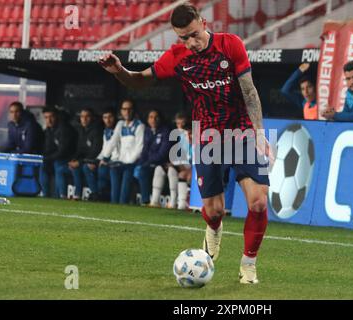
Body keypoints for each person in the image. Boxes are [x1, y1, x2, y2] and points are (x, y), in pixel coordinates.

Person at [99, 3, 271, 284]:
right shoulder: (177, 57)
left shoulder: (230, 45)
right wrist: (119, 71)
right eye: (183, 38)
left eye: (193, 34)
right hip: (207, 137)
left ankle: (248, 264)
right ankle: (213, 229)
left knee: (258, 202)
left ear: (204, 23)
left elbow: (249, 91)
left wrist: (260, 133)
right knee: (214, 211)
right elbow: (139, 81)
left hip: (241, 132)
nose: (191, 43)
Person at [99, 99, 145, 204]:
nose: (127, 112)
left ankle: (123, 205)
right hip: (120, 163)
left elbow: (140, 148)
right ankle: (113, 208)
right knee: (114, 186)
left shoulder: (139, 126)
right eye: (124, 109)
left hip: (132, 164)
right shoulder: (120, 124)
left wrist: (129, 162)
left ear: (134, 110)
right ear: (121, 111)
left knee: (124, 194)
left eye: (129, 109)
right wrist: (105, 158)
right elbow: (112, 142)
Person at [135, 109, 171, 206]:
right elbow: (144, 150)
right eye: (151, 117)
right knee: (137, 169)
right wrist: (140, 163)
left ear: (160, 119)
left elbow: (163, 153)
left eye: (156, 117)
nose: (153, 120)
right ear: (147, 119)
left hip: (162, 163)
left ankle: (146, 201)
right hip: (148, 163)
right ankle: (141, 200)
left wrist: (148, 161)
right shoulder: (147, 131)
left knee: (143, 170)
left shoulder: (165, 131)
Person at [40, 106, 76, 198]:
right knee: (42, 164)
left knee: (58, 164)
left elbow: (63, 151)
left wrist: (48, 158)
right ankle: (45, 194)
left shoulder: (64, 129)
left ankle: (60, 195)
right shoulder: (48, 130)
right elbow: (48, 148)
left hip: (69, 158)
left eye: (51, 117)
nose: (49, 120)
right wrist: (44, 157)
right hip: (55, 158)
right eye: (46, 117)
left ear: (57, 116)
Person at [68, 108, 103, 200]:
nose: (84, 119)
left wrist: (79, 162)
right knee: (75, 167)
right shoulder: (81, 130)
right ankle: (77, 194)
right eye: (82, 116)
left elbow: (95, 151)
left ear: (92, 118)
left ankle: (95, 193)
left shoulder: (97, 131)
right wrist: (74, 159)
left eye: (87, 116)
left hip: (96, 159)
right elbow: (80, 150)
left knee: (85, 167)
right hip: (85, 159)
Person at [85, 108, 119, 201]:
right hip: (105, 159)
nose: (108, 120)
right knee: (87, 167)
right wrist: (95, 160)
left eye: (110, 117)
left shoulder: (118, 130)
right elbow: (104, 150)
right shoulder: (106, 131)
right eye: (105, 117)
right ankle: (95, 193)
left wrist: (105, 160)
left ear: (115, 117)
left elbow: (117, 151)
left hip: (115, 160)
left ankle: (102, 194)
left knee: (102, 169)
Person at [166, 112, 192, 210]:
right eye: (178, 124)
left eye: (183, 123)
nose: (180, 126)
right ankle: (173, 201)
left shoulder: (194, 134)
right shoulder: (181, 136)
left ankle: (182, 203)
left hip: (194, 166)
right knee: (170, 168)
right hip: (186, 164)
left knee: (182, 174)